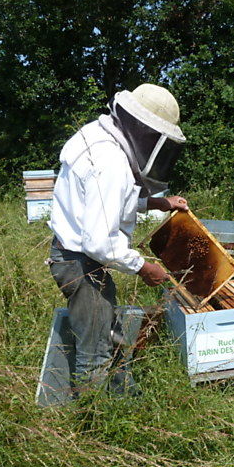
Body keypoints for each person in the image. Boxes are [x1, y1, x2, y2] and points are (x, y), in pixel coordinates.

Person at [47, 83, 188, 399]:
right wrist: (143, 268)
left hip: (76, 258)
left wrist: (156, 203)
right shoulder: (110, 163)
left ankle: (121, 404)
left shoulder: (96, 136)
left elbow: (101, 201)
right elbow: (99, 241)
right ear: (148, 132)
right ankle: (93, 429)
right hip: (81, 262)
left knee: (108, 335)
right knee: (95, 354)